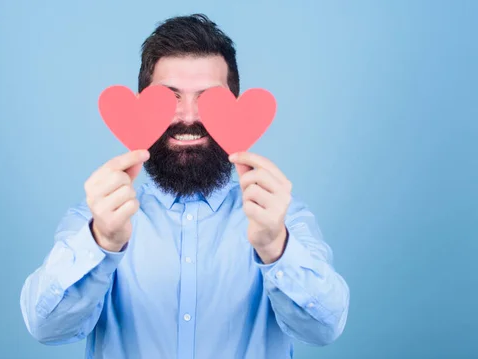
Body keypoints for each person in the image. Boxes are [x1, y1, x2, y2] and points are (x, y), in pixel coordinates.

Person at [20, 13, 349, 359]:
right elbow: (46, 328)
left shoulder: (283, 218)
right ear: (142, 105)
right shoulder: (96, 217)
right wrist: (101, 242)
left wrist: (275, 247)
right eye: (171, 97)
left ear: (235, 107)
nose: (189, 117)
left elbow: (325, 329)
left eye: (208, 99)